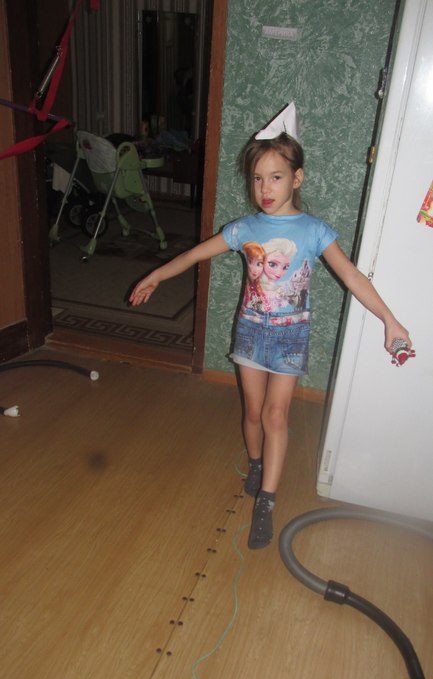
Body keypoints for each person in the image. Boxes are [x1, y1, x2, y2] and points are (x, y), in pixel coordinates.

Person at [129, 131, 412, 550]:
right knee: (253, 411)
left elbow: (352, 275)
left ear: (296, 178)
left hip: (290, 336)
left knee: (275, 416)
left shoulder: (314, 230)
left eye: (276, 177)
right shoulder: (244, 228)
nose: (265, 188)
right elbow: (193, 255)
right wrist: (156, 275)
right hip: (250, 331)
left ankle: (266, 501)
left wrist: (389, 320)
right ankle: (257, 463)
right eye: (257, 178)